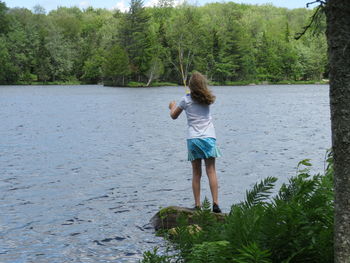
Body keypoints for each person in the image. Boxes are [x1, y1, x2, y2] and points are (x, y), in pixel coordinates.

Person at [168, 71, 222, 213]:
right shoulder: (208, 98)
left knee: (196, 173)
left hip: (194, 139)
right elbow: (197, 97)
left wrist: (172, 106)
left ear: (190, 86)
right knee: (211, 171)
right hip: (209, 138)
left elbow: (174, 116)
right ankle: (215, 204)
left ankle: (197, 205)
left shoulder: (185, 100)